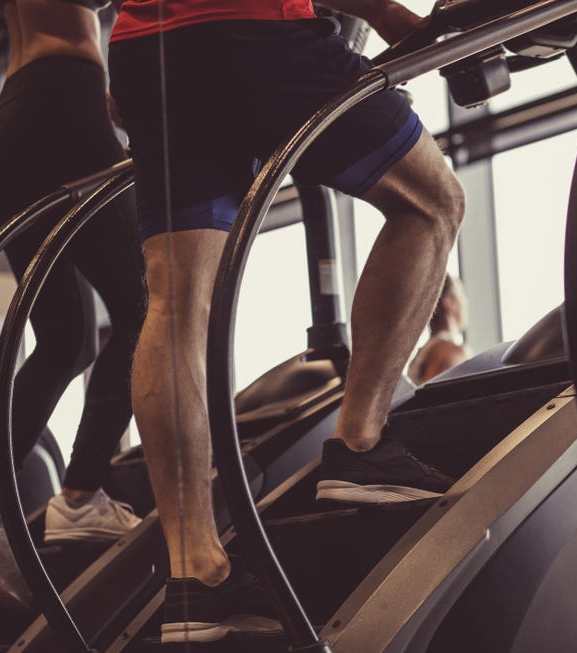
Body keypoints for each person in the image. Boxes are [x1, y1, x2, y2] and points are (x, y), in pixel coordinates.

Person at [108, 0, 465, 643]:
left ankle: (196, 575)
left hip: (147, 49)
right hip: (254, 27)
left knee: (177, 299)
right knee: (431, 203)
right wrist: (385, 14)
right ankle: (360, 446)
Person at [0, 0, 148, 610]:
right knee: (148, 303)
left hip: (15, 122)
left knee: (66, 341)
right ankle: (83, 493)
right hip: (64, 109)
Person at [407, 274, 473, 385]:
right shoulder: (451, 353)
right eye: (461, 296)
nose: (465, 302)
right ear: (448, 303)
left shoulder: (423, 353)